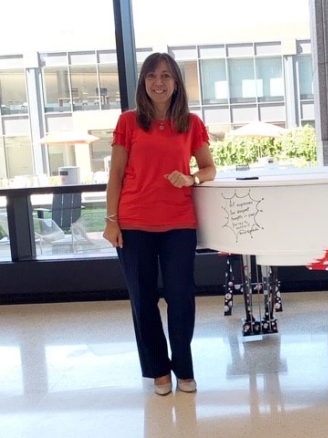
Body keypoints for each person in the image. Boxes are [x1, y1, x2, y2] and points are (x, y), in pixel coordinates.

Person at [103, 52, 216, 396]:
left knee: (181, 298)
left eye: (166, 76)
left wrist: (191, 178)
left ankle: (184, 368)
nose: (159, 82)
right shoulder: (128, 121)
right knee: (143, 299)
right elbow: (116, 174)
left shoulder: (191, 123)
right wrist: (111, 221)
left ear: (177, 82)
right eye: (152, 76)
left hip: (179, 223)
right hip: (134, 222)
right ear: (143, 82)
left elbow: (209, 169)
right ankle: (158, 372)